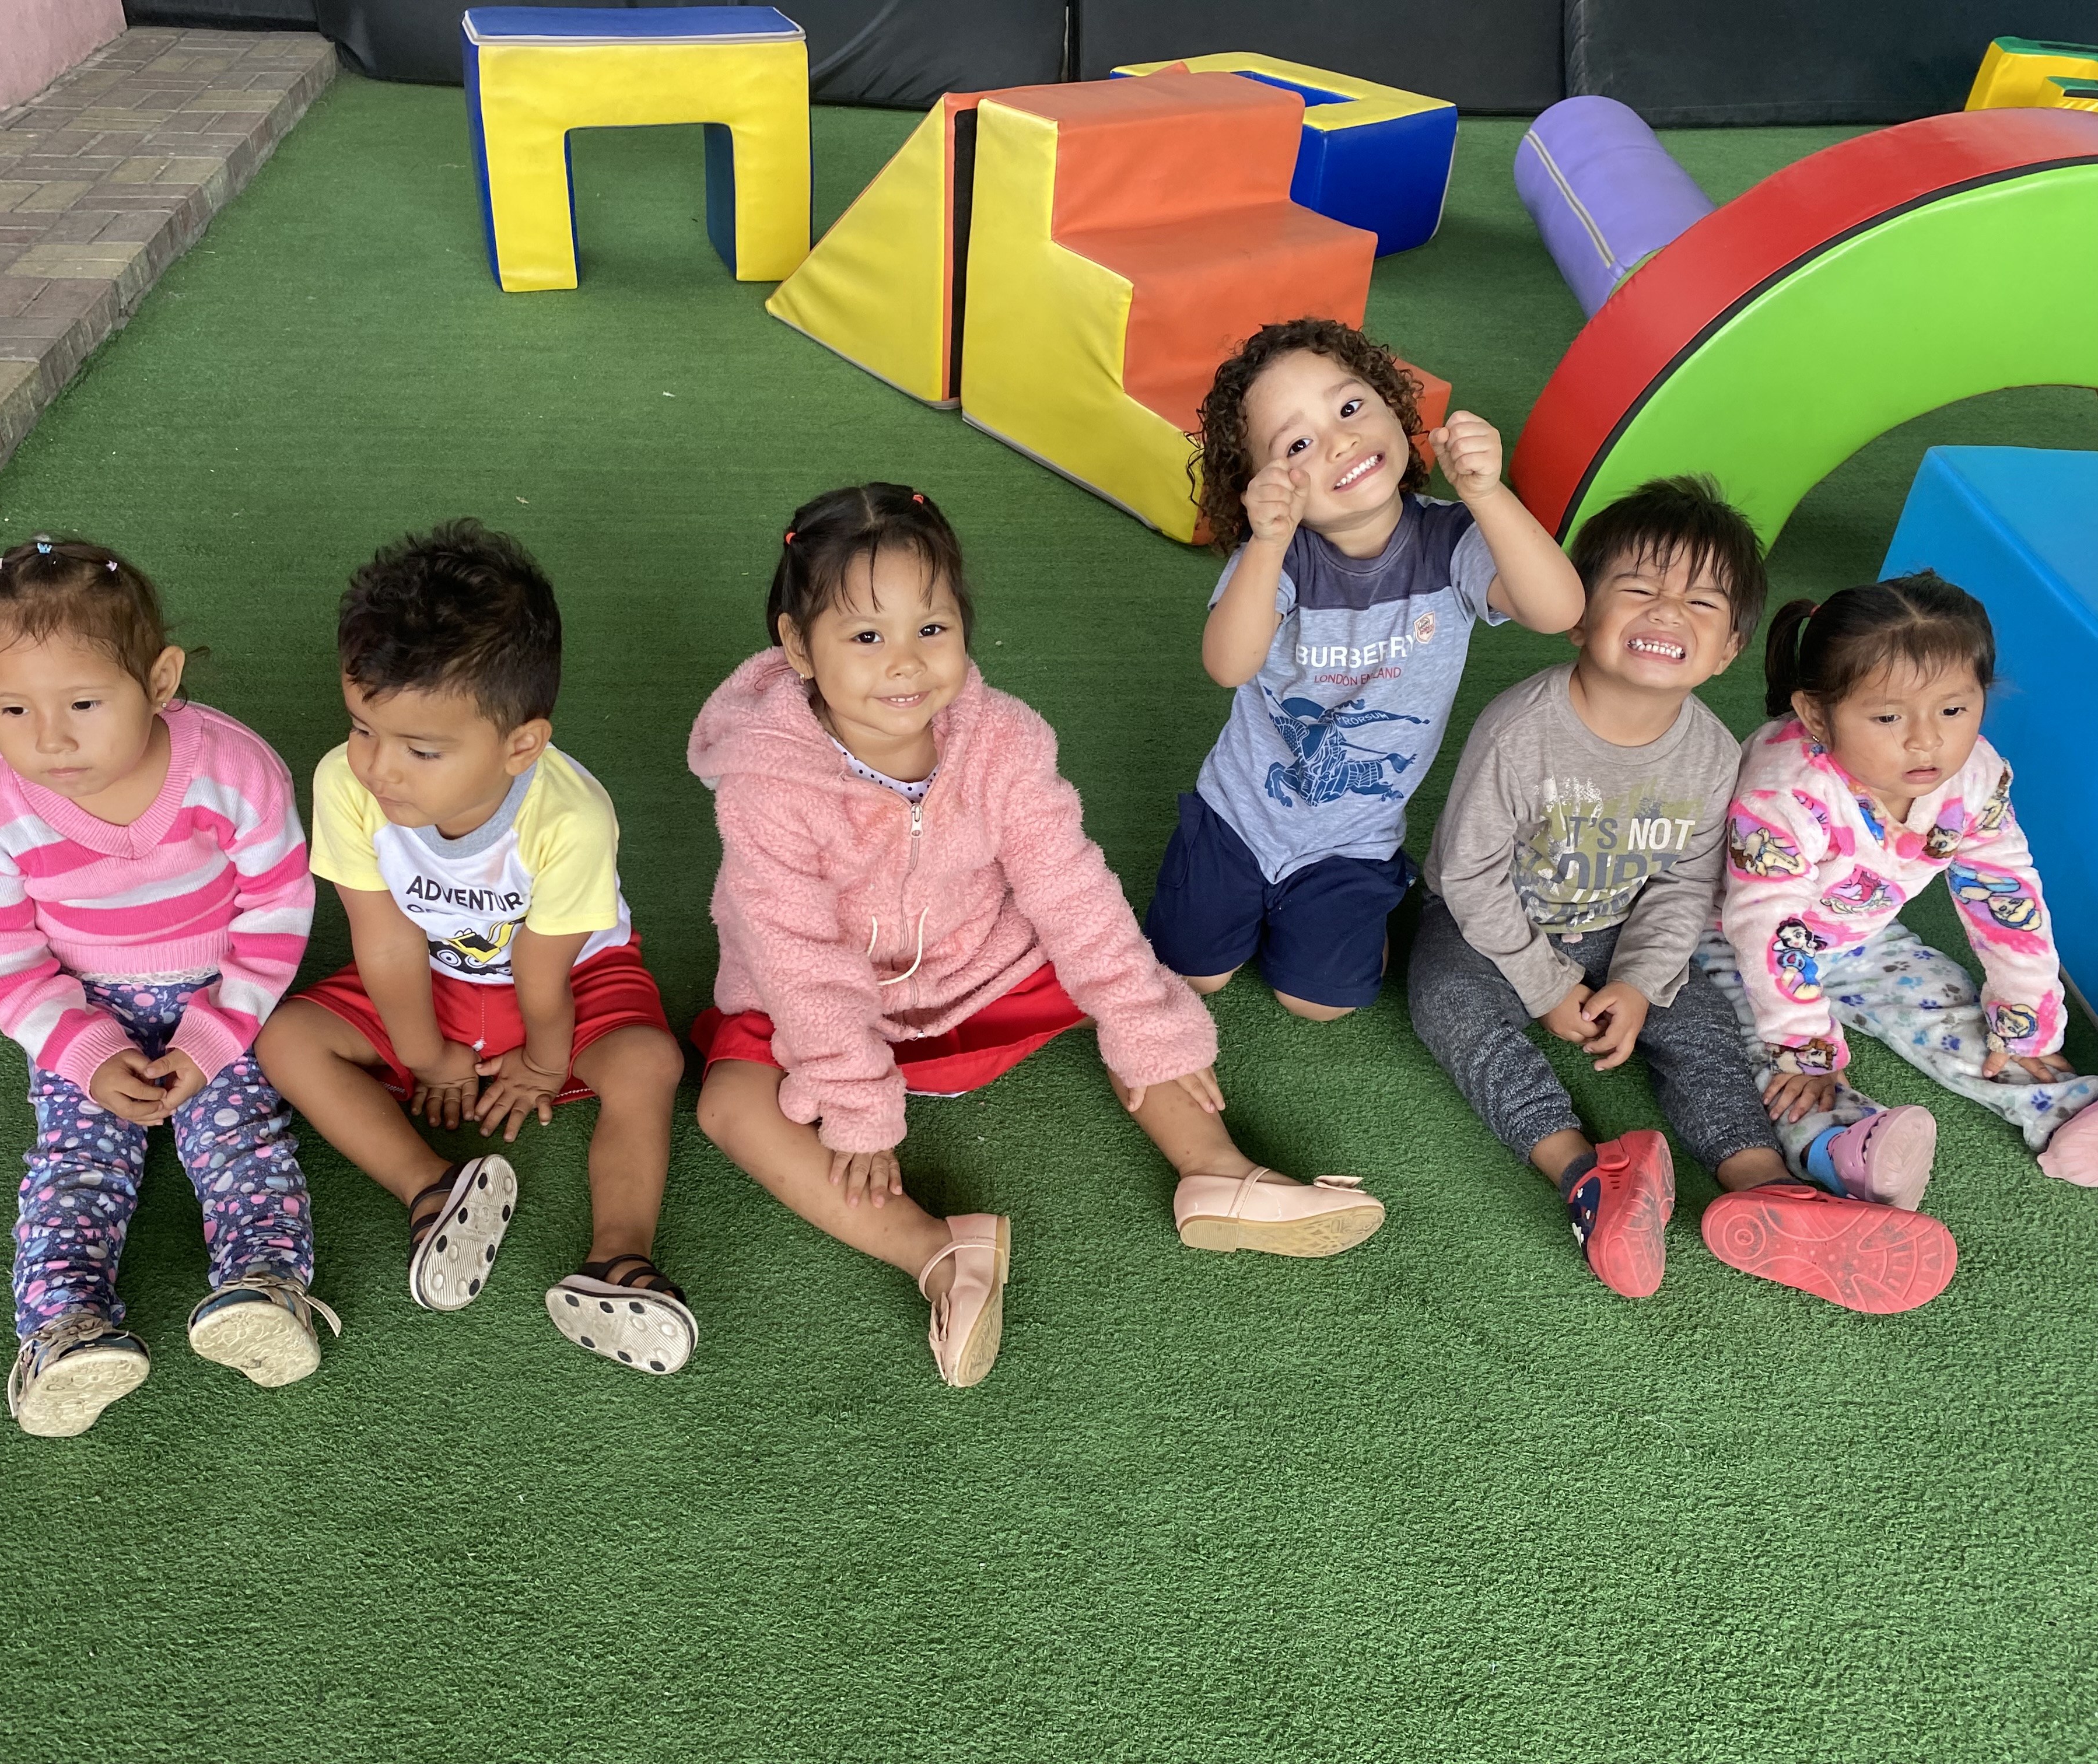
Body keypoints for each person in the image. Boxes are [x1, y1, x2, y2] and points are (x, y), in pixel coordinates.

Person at [688, 484, 1386, 1389]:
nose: (905, 664)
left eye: (931, 628)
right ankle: (937, 1252)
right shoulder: (766, 781)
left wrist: (1145, 1028)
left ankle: (1214, 1169)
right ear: (796, 646)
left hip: (985, 968)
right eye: (865, 637)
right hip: (823, 1009)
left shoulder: (1001, 741)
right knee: (730, 1106)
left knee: (1128, 987)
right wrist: (857, 1104)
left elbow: (1071, 890)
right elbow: (796, 958)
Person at [1406, 478, 1940, 1306]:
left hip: (1619, 925)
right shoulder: (1519, 730)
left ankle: (1763, 1183)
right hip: (1492, 925)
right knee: (1445, 1000)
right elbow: (1470, 876)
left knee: (1701, 1022)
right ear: (1578, 614)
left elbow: (1686, 880)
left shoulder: (1714, 754)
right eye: (1638, 588)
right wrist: (1545, 986)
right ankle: (1586, 1176)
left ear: (1728, 649)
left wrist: (1637, 982)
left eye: (1701, 601)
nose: (1667, 612)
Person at [254, 522, 693, 1374]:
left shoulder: (571, 816)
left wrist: (546, 1061)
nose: (381, 769)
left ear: (521, 745)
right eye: (363, 727)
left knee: (650, 1064)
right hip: (430, 973)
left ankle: (619, 1257)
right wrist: (425, 1054)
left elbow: (542, 966)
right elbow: (383, 938)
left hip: (577, 977)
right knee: (286, 1040)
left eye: (422, 750)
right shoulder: (345, 782)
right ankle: (430, 1187)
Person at [0, 537, 329, 1437]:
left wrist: (214, 1038)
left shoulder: (233, 770)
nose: (50, 738)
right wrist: (87, 1053)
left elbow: (276, 908)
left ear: (159, 680)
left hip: (221, 993)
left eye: (82, 702)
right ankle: (63, 1331)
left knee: (241, 1141)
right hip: (82, 1006)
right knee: (77, 1160)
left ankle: (267, 1291)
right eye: (12, 708)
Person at [1145, 316, 1586, 1021]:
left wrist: (1487, 494)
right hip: (1239, 817)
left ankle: (1357, 920)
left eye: (1350, 407)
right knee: (1192, 975)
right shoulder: (1279, 556)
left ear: (1393, 405)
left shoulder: (1452, 541)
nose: (1339, 441)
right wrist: (1267, 543)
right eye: (1297, 444)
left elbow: (1559, 609)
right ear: (1263, 485)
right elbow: (1229, 665)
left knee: (1316, 1004)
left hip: (1353, 840)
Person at [1700, 572, 2098, 1298]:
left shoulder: (1975, 776)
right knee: (1774, 1065)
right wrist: (1805, 1046)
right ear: (1816, 715)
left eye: (1954, 709)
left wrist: (2026, 1016)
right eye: (1888, 717)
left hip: (1863, 937)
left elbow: (2004, 890)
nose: (1927, 739)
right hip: (1733, 945)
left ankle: (2063, 1106)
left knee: (1947, 999)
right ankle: (1844, 1149)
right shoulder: (1785, 791)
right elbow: (1767, 927)